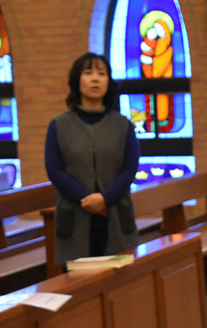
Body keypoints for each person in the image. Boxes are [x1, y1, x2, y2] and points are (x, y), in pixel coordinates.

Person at [45, 51, 140, 268]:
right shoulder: (59, 125)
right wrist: (87, 199)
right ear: (76, 80)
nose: (95, 79)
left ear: (109, 81)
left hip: (116, 214)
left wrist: (105, 199)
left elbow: (130, 169)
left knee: (120, 279)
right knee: (78, 282)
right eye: (88, 73)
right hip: (74, 216)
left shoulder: (123, 125)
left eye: (102, 73)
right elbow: (55, 171)